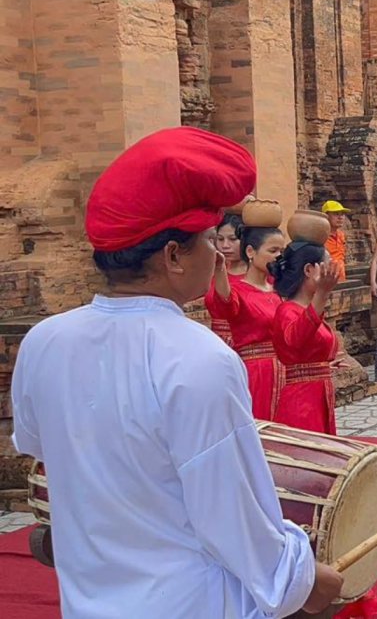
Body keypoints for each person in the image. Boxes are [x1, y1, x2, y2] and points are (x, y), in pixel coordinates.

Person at [10, 126, 342, 616]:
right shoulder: (199, 358)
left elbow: (38, 446)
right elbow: (232, 515)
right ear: (172, 256)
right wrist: (303, 577)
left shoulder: (44, 340)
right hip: (188, 601)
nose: (218, 253)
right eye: (208, 239)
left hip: (89, 597)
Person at [205, 223, 286, 420]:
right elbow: (225, 305)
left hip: (285, 371)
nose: (278, 256)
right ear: (250, 251)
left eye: (281, 251)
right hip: (255, 372)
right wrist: (220, 269)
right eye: (273, 250)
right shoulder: (238, 291)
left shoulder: (278, 290)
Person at [270, 242, 340, 435]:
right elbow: (296, 338)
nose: (331, 269)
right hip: (302, 401)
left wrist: (321, 365)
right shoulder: (287, 310)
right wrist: (322, 293)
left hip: (317, 394)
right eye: (326, 264)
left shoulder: (306, 308)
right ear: (309, 270)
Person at [207, 212, 247, 346]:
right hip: (214, 343)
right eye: (220, 239)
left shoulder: (261, 275)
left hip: (246, 344)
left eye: (233, 239)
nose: (225, 245)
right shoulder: (209, 273)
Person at [323, 199, 351, 282]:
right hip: (326, 281)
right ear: (326, 216)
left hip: (341, 279)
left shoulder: (341, 235)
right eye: (336, 214)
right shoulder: (320, 236)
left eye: (342, 214)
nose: (340, 217)